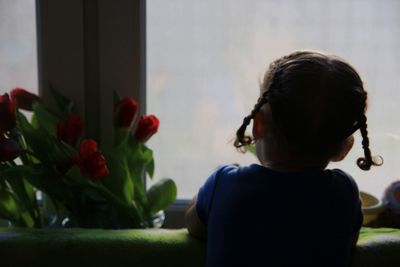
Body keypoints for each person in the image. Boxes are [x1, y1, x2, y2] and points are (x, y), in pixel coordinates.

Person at [185, 51, 382, 266]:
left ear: (258, 124)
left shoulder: (225, 183)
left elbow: (194, 224)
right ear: (345, 148)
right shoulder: (344, 193)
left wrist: (215, 186)